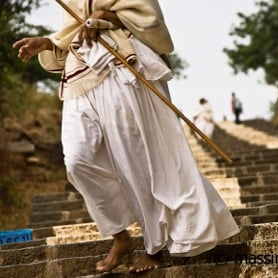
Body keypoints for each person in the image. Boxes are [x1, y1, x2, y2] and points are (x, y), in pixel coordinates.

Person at [13, 0, 239, 274]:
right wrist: (50, 42)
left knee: (136, 163)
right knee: (76, 160)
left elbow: (147, 16)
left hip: (120, 67)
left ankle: (154, 248)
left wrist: (106, 15)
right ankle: (121, 237)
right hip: (79, 75)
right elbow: (72, 29)